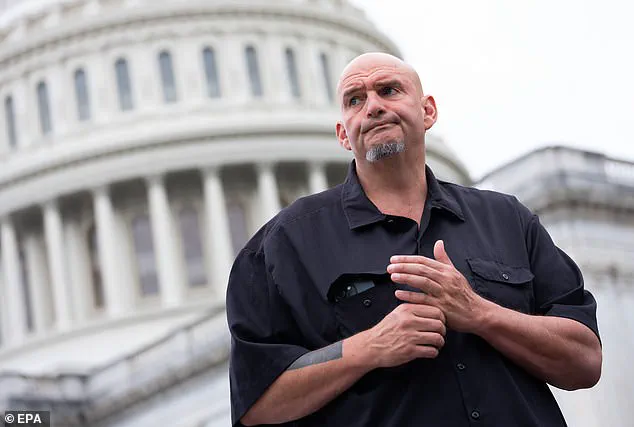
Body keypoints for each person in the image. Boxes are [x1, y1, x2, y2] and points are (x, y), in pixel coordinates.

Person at [226, 52, 602, 426]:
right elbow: (256, 403)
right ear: (343, 134)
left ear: (428, 112)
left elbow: (585, 360)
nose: (373, 107)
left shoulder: (507, 219)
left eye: (389, 90)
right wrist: (369, 347)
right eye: (355, 100)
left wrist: (479, 313)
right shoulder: (285, 245)